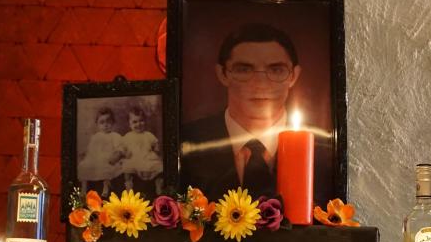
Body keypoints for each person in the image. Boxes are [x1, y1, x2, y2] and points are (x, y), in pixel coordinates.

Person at [180, 23, 302, 200]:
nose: (260, 84)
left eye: (276, 70)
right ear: (222, 74)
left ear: (293, 76)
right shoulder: (186, 141)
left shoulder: (322, 152)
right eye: (244, 69)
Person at [77, 107, 125, 196]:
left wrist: (116, 157)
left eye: (108, 121)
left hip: (108, 159)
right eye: (102, 122)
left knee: (106, 168)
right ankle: (84, 188)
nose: (105, 125)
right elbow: (91, 151)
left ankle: (106, 186)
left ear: (113, 122)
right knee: (83, 166)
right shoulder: (95, 137)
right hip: (95, 159)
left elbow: (120, 149)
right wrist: (86, 155)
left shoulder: (115, 136)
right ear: (97, 125)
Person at [121, 105, 164, 195]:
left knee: (159, 166)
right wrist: (126, 153)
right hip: (134, 158)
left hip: (146, 157)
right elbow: (123, 148)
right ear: (129, 124)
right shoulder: (128, 136)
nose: (138, 124)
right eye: (135, 122)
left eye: (141, 121)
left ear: (145, 121)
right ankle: (129, 187)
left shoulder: (148, 135)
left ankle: (158, 185)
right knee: (127, 167)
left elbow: (155, 144)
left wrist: (156, 150)